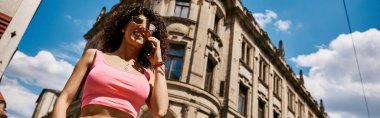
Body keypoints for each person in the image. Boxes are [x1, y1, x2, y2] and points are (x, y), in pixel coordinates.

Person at [52, 3, 169, 118]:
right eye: (138, 21)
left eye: (150, 27)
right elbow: (64, 98)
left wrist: (158, 64)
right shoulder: (93, 56)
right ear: (123, 27)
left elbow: (160, 111)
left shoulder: (149, 75)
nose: (143, 27)